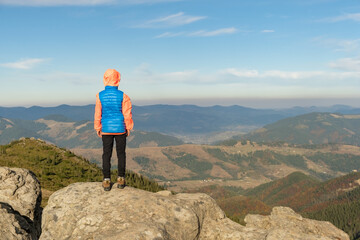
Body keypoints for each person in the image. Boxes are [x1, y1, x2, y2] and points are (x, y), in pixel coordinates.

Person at [94, 69, 134, 191]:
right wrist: (128, 127)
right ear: (118, 79)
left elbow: (97, 113)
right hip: (120, 129)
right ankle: (121, 179)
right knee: (121, 154)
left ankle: (106, 180)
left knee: (106, 154)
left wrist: (98, 127)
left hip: (106, 129)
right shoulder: (124, 96)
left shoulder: (100, 95)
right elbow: (127, 114)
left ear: (105, 79)